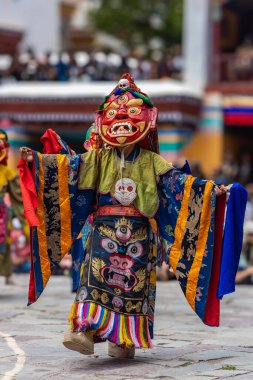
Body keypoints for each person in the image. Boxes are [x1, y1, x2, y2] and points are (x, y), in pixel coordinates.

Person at [19, 74, 246, 359]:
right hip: (104, 231)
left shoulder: (152, 161)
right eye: (115, 113)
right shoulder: (98, 157)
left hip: (140, 233)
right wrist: (37, 161)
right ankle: (84, 330)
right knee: (95, 279)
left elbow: (178, 184)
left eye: (131, 113)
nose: (123, 121)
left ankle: (124, 339)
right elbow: (70, 167)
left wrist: (214, 191)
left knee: (134, 288)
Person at [0, 130, 27, 284]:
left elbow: (18, 197)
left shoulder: (8, 173)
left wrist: (26, 220)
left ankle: (7, 274)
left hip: (2, 215)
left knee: (4, 244)